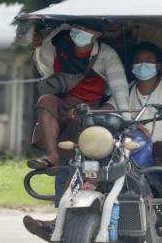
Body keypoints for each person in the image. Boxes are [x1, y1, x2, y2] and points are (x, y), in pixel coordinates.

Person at [23, 22, 129, 241]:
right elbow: (43, 65)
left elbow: (119, 89)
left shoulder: (107, 55)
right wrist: (37, 42)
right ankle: (52, 157)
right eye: (76, 28)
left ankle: (57, 223)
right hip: (63, 108)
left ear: (97, 34)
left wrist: (127, 120)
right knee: (45, 101)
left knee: (76, 162)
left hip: (90, 112)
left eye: (86, 30)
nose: (79, 34)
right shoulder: (59, 46)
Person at [103, 42, 162, 238]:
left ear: (158, 65)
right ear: (132, 67)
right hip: (130, 144)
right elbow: (109, 108)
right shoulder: (126, 90)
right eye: (138, 61)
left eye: (148, 61)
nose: (142, 65)